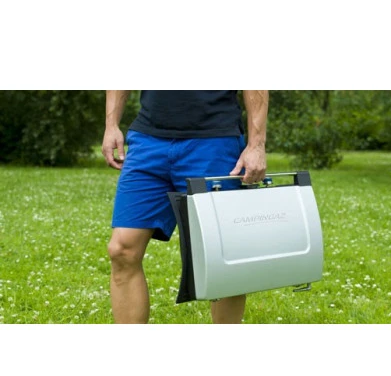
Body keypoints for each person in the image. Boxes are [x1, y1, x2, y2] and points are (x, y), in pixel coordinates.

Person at [102, 90, 268, 324]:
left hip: (214, 140)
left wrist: (257, 144)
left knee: (223, 256)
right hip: (147, 140)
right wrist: (111, 125)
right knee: (122, 250)